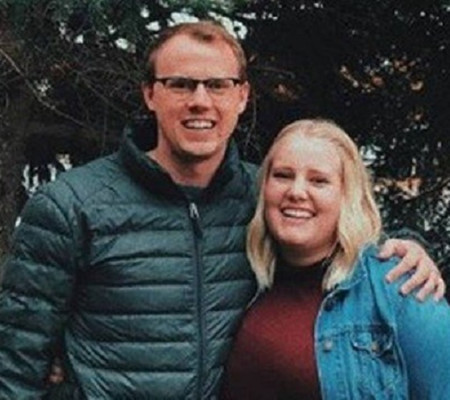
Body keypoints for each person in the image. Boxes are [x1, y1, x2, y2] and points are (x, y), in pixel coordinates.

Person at [0, 21, 444, 399]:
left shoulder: (263, 197)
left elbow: (337, 236)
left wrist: (409, 248)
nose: (200, 100)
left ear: (242, 96)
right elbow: (15, 365)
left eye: (217, 85)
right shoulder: (72, 206)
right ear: (150, 94)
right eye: (180, 84)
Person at [220, 119, 450, 400]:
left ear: (347, 196)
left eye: (318, 180)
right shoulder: (244, 276)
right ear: (264, 188)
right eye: (283, 175)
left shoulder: (400, 287)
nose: (296, 192)